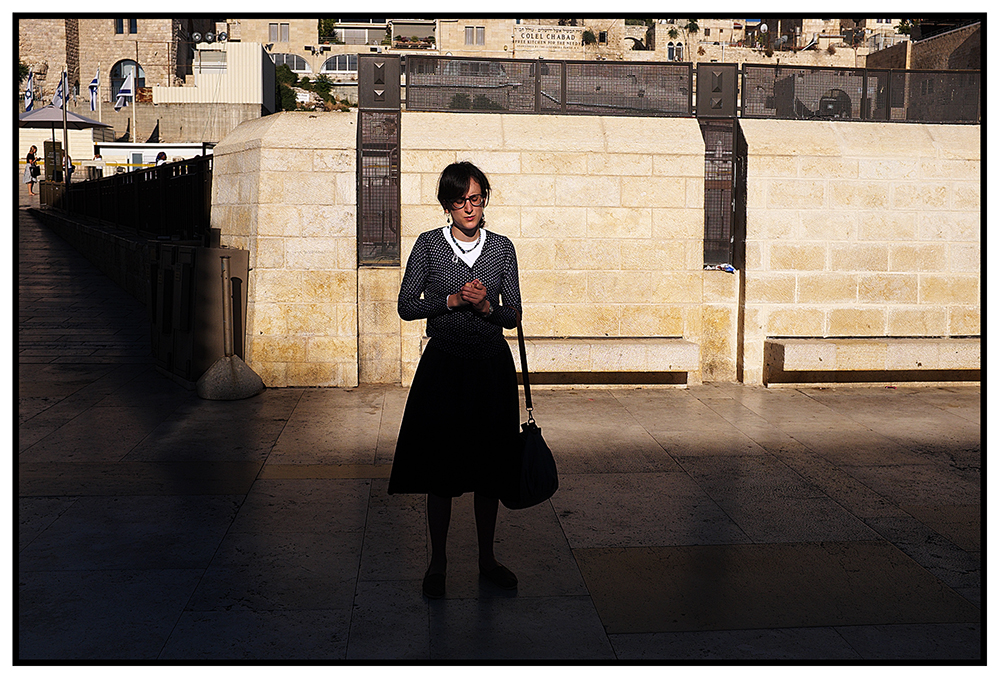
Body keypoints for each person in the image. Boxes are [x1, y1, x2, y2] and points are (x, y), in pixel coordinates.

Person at [388, 161, 523, 599]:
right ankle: (438, 562)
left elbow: (514, 314)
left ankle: (487, 558)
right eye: (462, 199)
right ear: (447, 203)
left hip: (489, 369)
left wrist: (486, 309)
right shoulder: (429, 245)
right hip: (444, 367)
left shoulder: (502, 248)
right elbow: (407, 305)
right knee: (441, 470)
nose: (470, 207)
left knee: (489, 470)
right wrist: (449, 300)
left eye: (478, 198)